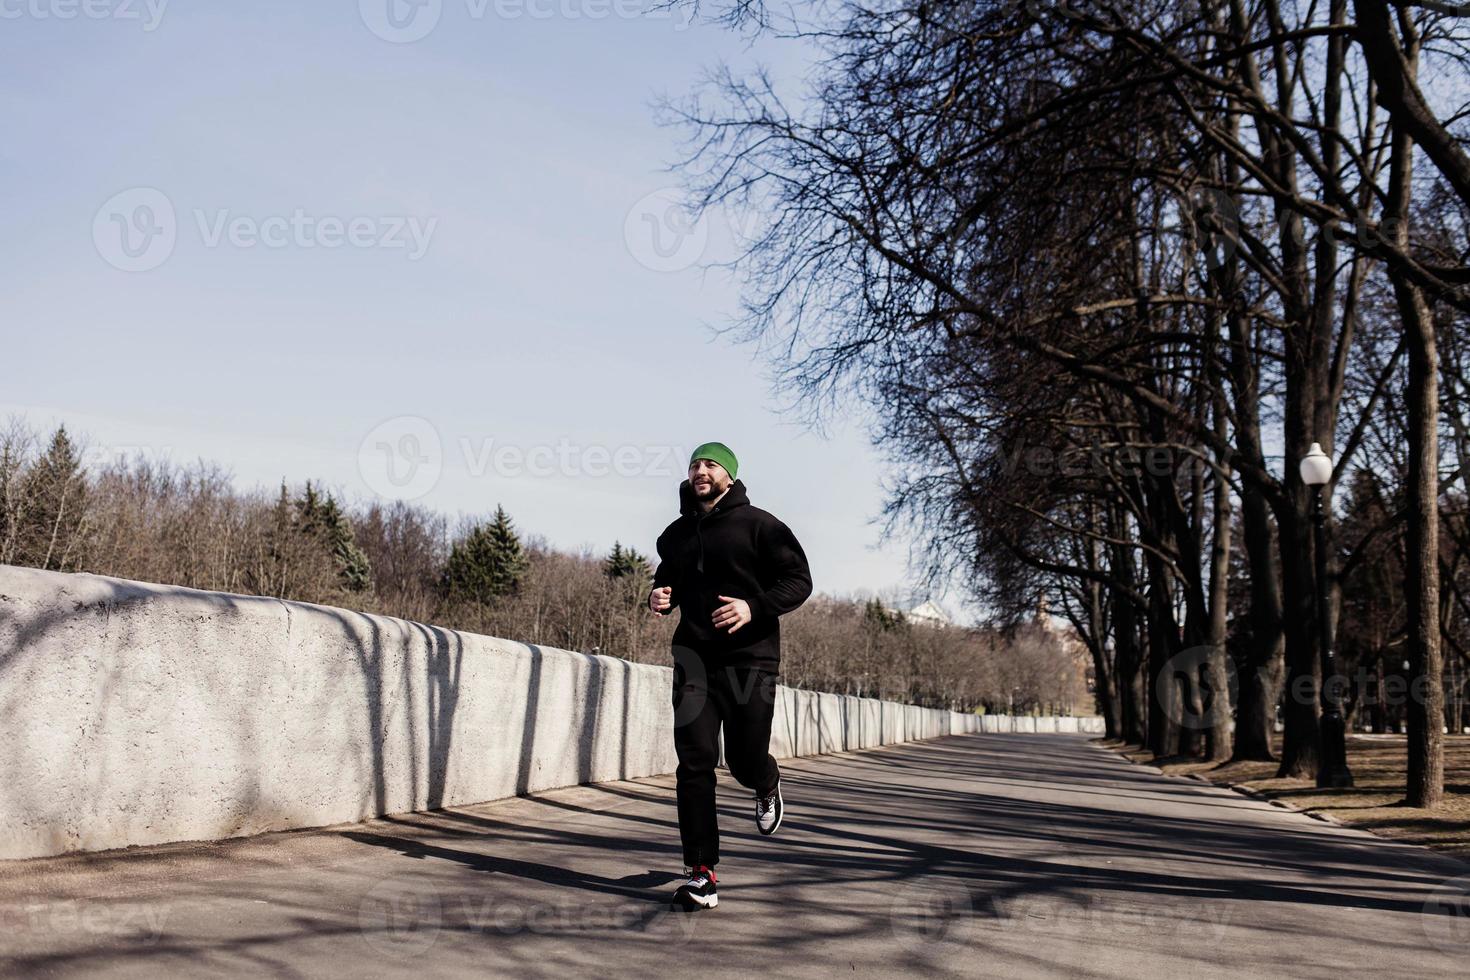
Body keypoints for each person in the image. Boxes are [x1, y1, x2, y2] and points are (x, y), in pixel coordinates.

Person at [648, 441, 813, 911]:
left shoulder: (760, 525)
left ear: (729, 477)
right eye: (695, 464)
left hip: (751, 660)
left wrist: (753, 607)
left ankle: (765, 780)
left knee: (743, 760)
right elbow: (669, 578)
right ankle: (702, 873)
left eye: (711, 465)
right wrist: (660, 596)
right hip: (694, 662)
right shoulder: (675, 535)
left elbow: (799, 580)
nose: (701, 471)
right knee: (695, 763)